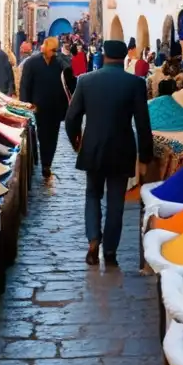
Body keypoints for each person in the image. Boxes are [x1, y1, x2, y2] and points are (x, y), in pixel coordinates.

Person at [64, 39, 153, 267]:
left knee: (92, 194)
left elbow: (72, 117)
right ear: (124, 57)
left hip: (93, 147)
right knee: (116, 202)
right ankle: (110, 251)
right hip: (122, 149)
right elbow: (143, 125)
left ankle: (93, 240)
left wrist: (76, 141)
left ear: (103, 55)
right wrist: (144, 158)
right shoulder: (135, 84)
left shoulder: (86, 81)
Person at [20, 35, 68, 181]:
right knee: (41, 135)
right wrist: (26, 104)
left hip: (55, 107)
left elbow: (68, 79)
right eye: (53, 50)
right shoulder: (32, 63)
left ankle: (47, 164)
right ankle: (41, 161)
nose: (55, 52)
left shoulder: (59, 63)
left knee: (52, 137)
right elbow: (25, 85)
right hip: (37, 107)